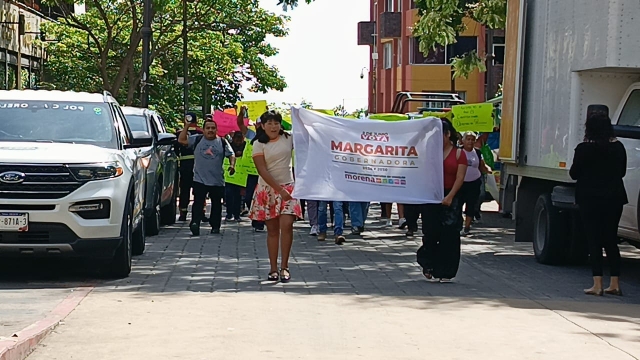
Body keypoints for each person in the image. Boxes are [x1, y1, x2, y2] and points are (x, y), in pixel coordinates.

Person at [570, 111, 627, 296]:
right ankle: (615, 283)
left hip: (590, 198)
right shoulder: (619, 147)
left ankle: (597, 284)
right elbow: (623, 172)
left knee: (594, 239)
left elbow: (574, 174)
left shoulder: (584, 149)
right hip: (614, 197)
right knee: (611, 239)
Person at [250, 110, 301, 283]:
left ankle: (285, 267)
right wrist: (279, 190)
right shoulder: (258, 144)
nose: (273, 126)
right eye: (269, 123)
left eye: (276, 123)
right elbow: (262, 171)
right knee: (272, 231)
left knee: (287, 225)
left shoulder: (289, 138)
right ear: (262, 126)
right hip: (269, 190)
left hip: (289, 188)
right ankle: (273, 268)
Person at [417, 119, 467, 283]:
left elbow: (460, 178)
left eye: (441, 135)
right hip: (431, 196)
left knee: (450, 234)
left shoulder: (459, 154)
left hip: (451, 196)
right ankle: (428, 263)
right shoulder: (430, 152)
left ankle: (445, 270)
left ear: (448, 134)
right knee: (430, 232)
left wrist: (450, 196)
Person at [178, 117, 236, 236]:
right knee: (198, 202)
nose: (210, 130)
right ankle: (195, 223)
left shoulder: (222, 142)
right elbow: (182, 140)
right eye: (208, 128)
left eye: (213, 128)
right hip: (199, 179)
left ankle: (215, 226)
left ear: (216, 129)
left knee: (216, 204)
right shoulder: (197, 139)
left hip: (217, 180)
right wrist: (186, 126)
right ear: (203, 130)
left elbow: (231, 154)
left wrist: (232, 165)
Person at [237, 105, 266, 232]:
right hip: (251, 172)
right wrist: (241, 113)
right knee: (249, 197)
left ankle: (260, 220)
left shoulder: (270, 138)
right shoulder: (251, 135)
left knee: (263, 197)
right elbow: (240, 124)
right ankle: (256, 216)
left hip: (264, 173)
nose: (258, 126)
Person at [460, 131, 490, 235]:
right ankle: (458, 225)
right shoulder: (458, 152)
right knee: (458, 204)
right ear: (463, 141)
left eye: (472, 139)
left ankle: (467, 227)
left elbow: (482, 165)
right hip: (460, 183)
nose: (470, 141)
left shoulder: (477, 152)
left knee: (471, 205)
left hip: (474, 183)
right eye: (468, 139)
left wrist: (488, 169)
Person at [175, 113, 204, 221]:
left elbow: (175, 149)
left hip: (185, 166)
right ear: (196, 122)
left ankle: (183, 212)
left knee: (184, 189)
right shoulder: (201, 133)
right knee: (199, 189)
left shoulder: (179, 134)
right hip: (198, 165)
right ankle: (200, 212)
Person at [225, 131, 246, 222]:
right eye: (236, 140)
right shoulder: (229, 145)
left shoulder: (245, 145)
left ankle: (236, 214)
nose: (238, 142)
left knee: (238, 196)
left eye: (240, 140)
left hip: (241, 175)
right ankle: (230, 214)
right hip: (229, 174)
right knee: (229, 195)